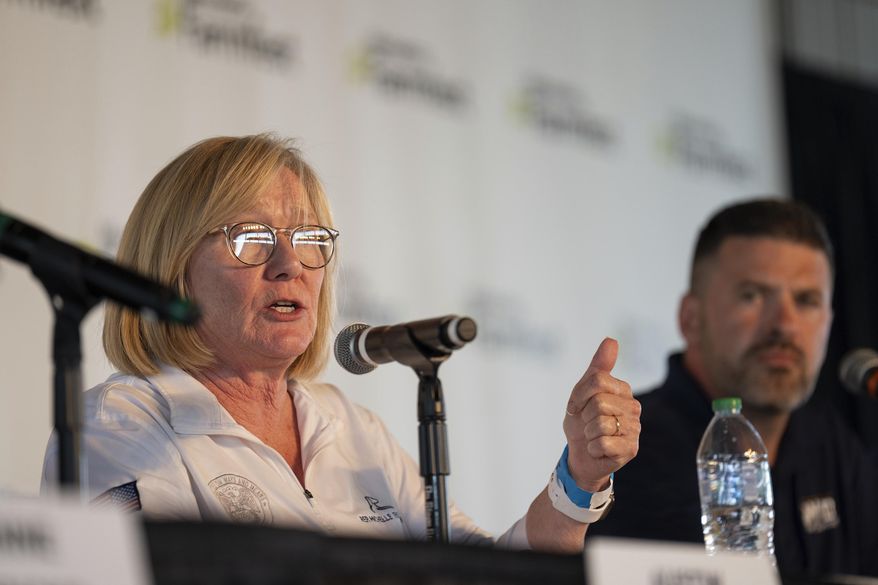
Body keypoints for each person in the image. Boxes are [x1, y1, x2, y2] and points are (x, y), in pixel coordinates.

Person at [41, 133, 641, 552]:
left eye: (309, 239)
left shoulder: (351, 428)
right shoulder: (122, 425)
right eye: (251, 238)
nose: (289, 265)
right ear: (174, 267)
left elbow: (487, 575)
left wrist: (579, 476)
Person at [588, 199, 878, 576]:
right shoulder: (626, 454)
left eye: (806, 300)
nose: (785, 324)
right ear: (691, 319)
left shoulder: (835, 444)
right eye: (752, 295)